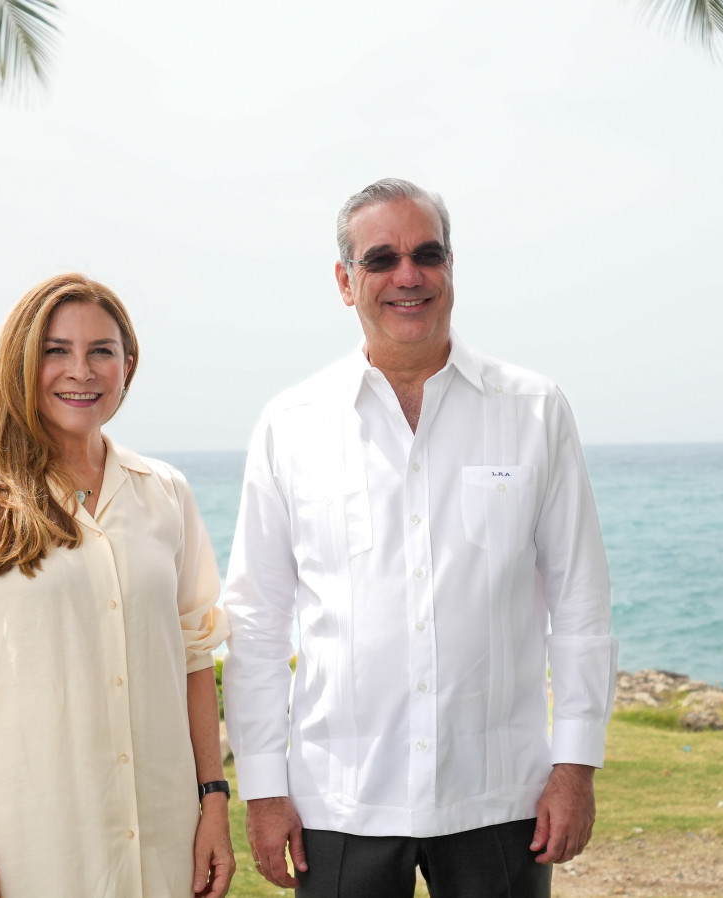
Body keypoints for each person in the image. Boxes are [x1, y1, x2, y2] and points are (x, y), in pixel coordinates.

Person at [221, 179, 618, 898]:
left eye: (427, 255)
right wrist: (264, 787)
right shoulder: (292, 425)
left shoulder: (534, 409)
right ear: (345, 281)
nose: (408, 275)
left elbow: (580, 603)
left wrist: (575, 766)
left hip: (500, 793)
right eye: (381, 259)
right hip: (338, 799)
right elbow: (256, 622)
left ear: (451, 268)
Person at [0, 273, 234, 898]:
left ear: (128, 364)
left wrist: (214, 802)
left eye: (101, 351)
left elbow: (193, 656)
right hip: (27, 842)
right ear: (22, 362)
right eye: (56, 350)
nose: (81, 371)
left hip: (162, 834)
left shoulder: (166, 493)